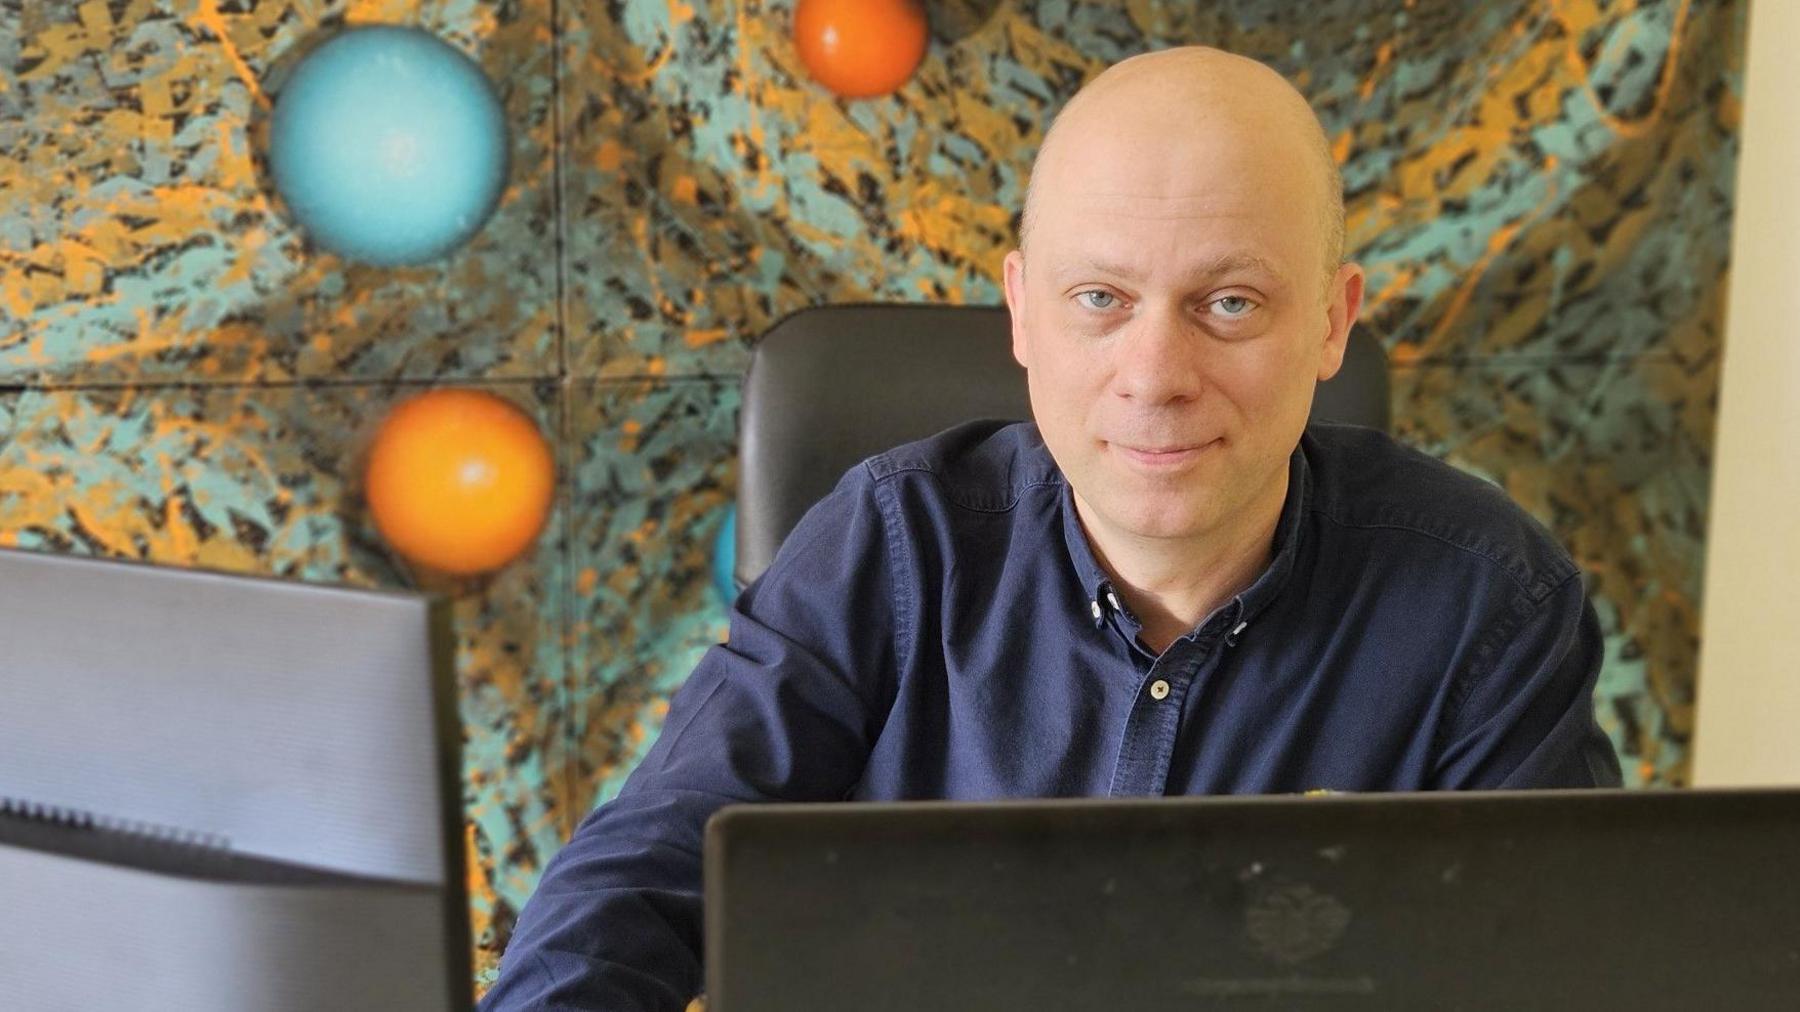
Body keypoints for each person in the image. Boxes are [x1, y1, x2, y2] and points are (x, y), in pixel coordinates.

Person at [482, 46, 1622, 1010]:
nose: (1155, 375)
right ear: (1023, 311)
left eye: (1230, 303)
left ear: (1331, 321)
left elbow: (1566, 974)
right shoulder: (893, 542)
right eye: (1101, 300)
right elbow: (646, 873)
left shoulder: (1490, 604)